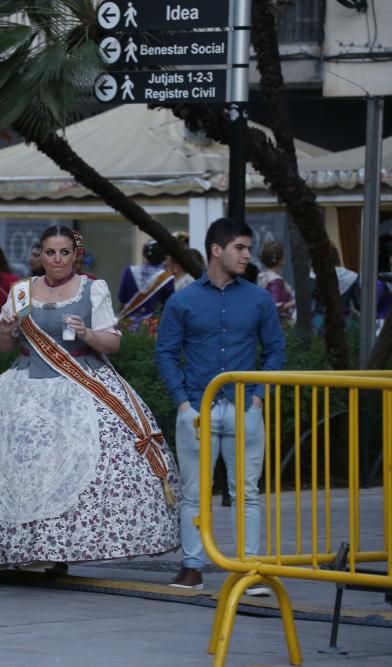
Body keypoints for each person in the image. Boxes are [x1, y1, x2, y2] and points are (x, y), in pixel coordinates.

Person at [0, 226, 180, 570]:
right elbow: (3, 346)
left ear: (74, 254)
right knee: (22, 469)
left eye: (64, 252)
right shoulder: (21, 292)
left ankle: (60, 547)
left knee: (74, 468)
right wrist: (6, 330)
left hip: (80, 384)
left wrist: (86, 332)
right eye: (50, 252)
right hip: (24, 388)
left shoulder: (92, 289)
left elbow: (113, 343)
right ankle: (25, 548)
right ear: (40, 254)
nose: (57, 260)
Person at [156, 217, 285, 594]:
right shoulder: (183, 301)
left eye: (248, 248)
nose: (247, 255)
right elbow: (165, 354)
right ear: (217, 250)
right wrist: (182, 404)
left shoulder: (259, 299)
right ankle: (192, 566)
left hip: (246, 408)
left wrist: (259, 398)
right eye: (240, 248)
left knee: (246, 491)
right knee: (195, 493)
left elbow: (276, 350)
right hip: (197, 408)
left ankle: (248, 568)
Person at [117, 239, 174, 331]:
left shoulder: (129, 271)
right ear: (164, 257)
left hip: (128, 327)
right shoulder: (167, 278)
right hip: (153, 329)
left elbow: (122, 298)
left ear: (144, 255)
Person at [257, 240, 295, 323]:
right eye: (283, 256)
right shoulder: (275, 280)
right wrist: (294, 303)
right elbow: (275, 306)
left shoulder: (262, 276)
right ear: (279, 260)